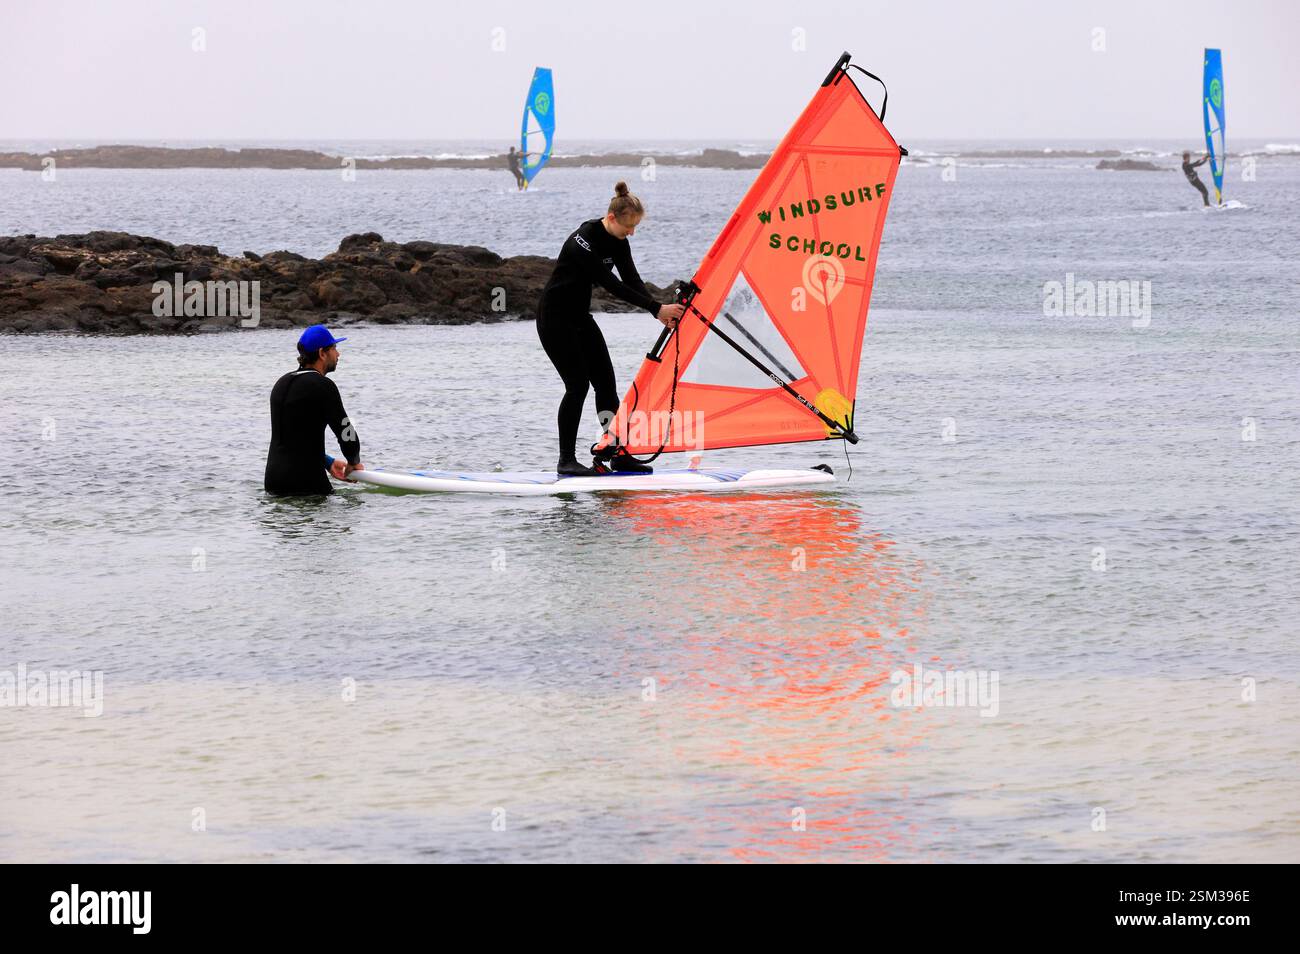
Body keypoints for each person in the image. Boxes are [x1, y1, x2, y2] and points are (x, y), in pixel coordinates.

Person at [537, 181, 685, 476]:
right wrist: (656, 309)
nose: (632, 232)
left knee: (606, 385)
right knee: (577, 386)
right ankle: (566, 460)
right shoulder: (583, 240)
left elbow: (631, 280)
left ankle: (616, 452)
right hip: (554, 318)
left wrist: (657, 308)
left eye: (636, 227)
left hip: (580, 317)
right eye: (629, 226)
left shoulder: (619, 242)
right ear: (612, 218)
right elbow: (611, 284)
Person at [264, 325, 364, 496]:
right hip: (306, 484)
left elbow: (291, 442)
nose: (338, 354)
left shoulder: (281, 383)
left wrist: (328, 462)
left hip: (273, 482)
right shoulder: (323, 386)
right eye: (334, 348)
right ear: (322, 353)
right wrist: (353, 462)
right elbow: (346, 432)